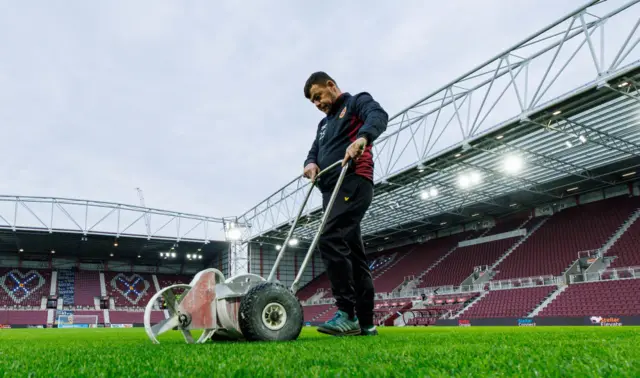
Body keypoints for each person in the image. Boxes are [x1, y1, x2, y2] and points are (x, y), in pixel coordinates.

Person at [302, 71, 388, 336]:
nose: (317, 103)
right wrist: (310, 163)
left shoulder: (356, 102)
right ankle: (365, 323)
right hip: (331, 189)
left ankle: (346, 313)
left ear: (331, 85)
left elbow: (378, 116)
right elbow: (314, 151)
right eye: (312, 102)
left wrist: (363, 138)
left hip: (353, 181)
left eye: (318, 96)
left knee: (329, 238)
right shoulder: (323, 125)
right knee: (354, 255)